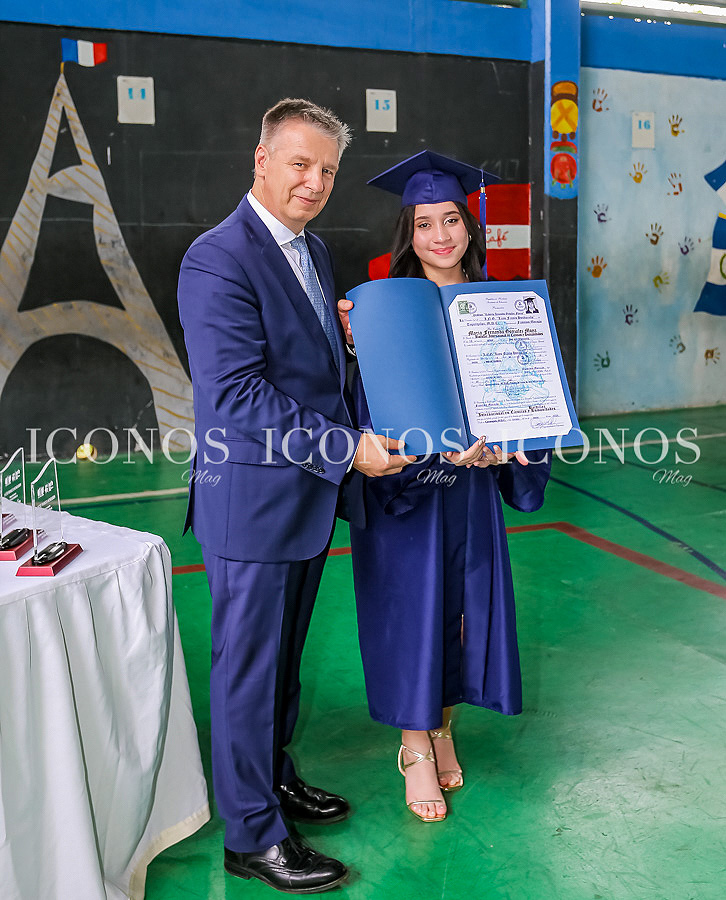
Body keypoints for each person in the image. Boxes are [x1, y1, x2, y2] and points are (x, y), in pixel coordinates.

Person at [177, 98, 412, 893]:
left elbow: (305, 367)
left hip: (304, 498)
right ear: (262, 160)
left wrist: (343, 343)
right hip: (251, 502)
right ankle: (250, 835)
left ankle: (272, 779)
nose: (315, 182)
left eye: (328, 171)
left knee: (280, 666)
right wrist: (347, 448)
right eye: (301, 164)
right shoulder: (218, 258)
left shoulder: (309, 251)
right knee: (247, 670)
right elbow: (236, 394)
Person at [338, 151, 551, 823]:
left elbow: (526, 403)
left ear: (469, 226)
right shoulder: (379, 306)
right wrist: (357, 346)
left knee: (461, 612)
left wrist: (505, 449)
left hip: (472, 490)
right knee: (414, 611)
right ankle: (414, 746)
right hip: (407, 490)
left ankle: (443, 727)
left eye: (451, 220)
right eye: (424, 223)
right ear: (409, 232)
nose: (440, 235)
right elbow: (362, 403)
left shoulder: (499, 305)